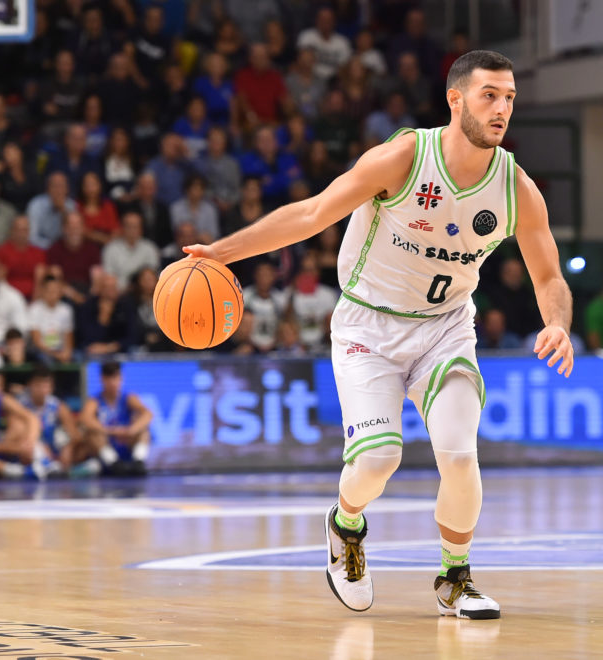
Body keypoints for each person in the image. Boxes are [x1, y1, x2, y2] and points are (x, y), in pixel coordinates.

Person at [183, 50, 574, 619]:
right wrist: (222, 252)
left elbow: (548, 275)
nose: (503, 108)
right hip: (369, 325)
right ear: (456, 99)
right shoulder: (404, 158)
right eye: (490, 95)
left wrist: (557, 323)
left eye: (510, 97)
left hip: (445, 329)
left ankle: (455, 577)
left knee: (460, 456)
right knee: (377, 462)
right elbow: (312, 213)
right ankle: (345, 526)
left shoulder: (517, 189)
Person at [0, 367, 48, 479]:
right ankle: (16, 470)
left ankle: (37, 456)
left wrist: (30, 443)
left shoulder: (0, 398)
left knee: (18, 425)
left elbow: (31, 418)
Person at [78, 361, 152, 477]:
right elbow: (85, 419)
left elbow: (148, 414)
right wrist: (111, 431)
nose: (113, 383)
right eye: (109, 379)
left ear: (121, 378)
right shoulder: (95, 400)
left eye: (116, 378)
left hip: (126, 442)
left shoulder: (128, 398)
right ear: (102, 380)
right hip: (107, 444)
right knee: (92, 434)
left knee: (143, 430)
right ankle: (113, 463)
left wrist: (131, 430)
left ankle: (139, 461)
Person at [19, 366, 83, 472]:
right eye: (38, 385)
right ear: (29, 385)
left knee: (82, 445)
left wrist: (68, 447)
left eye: (46, 385)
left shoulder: (58, 406)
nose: (42, 389)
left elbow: (75, 435)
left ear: (51, 387)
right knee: (26, 450)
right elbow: (17, 433)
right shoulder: (21, 406)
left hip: (54, 451)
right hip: (32, 449)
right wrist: (38, 445)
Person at [101, 212, 160, 297]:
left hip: (145, 295)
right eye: (129, 226)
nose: (132, 230)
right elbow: (108, 277)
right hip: (119, 295)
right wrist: (125, 288)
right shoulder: (111, 249)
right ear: (122, 228)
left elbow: (154, 276)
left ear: (141, 229)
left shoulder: (150, 249)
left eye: (136, 227)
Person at [0, 215, 46, 299]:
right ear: (11, 231)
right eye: (18, 229)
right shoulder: (2, 252)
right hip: (8, 298)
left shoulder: (38, 253)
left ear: (29, 231)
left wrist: (35, 302)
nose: (21, 233)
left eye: (25, 230)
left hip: (32, 298)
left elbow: (40, 282)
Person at [242, 261, 287, 353]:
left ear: (273, 277)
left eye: (267, 275)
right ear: (255, 276)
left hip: (274, 344)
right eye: (261, 275)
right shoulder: (244, 296)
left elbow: (284, 324)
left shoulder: (280, 299)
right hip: (249, 344)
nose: (264, 279)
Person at [296, 6, 353, 81]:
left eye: (328, 20)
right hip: (310, 79)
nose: (325, 23)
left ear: (334, 22)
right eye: (322, 19)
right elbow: (300, 62)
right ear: (316, 20)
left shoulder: (343, 42)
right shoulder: (306, 36)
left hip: (334, 81)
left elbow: (344, 68)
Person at [27, 275, 74, 364]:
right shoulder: (34, 309)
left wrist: (67, 352)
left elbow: (68, 337)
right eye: (50, 291)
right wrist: (56, 355)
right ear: (43, 291)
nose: (53, 294)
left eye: (55, 291)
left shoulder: (66, 310)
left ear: (60, 292)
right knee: (46, 361)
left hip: (60, 349)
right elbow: (37, 341)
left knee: (77, 358)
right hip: (42, 351)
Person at [27, 171, 78, 249]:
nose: (58, 190)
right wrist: (53, 248)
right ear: (47, 189)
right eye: (54, 186)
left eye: (61, 186)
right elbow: (31, 237)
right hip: (41, 249)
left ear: (67, 189)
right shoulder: (36, 205)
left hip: (64, 250)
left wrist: (63, 211)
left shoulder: (72, 206)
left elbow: (74, 235)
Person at [169, 173, 219, 243]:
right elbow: (177, 232)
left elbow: (213, 234)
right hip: (182, 244)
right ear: (187, 190)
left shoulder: (210, 209)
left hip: (204, 245)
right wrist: (196, 236)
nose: (197, 192)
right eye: (195, 188)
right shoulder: (176, 208)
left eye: (200, 189)